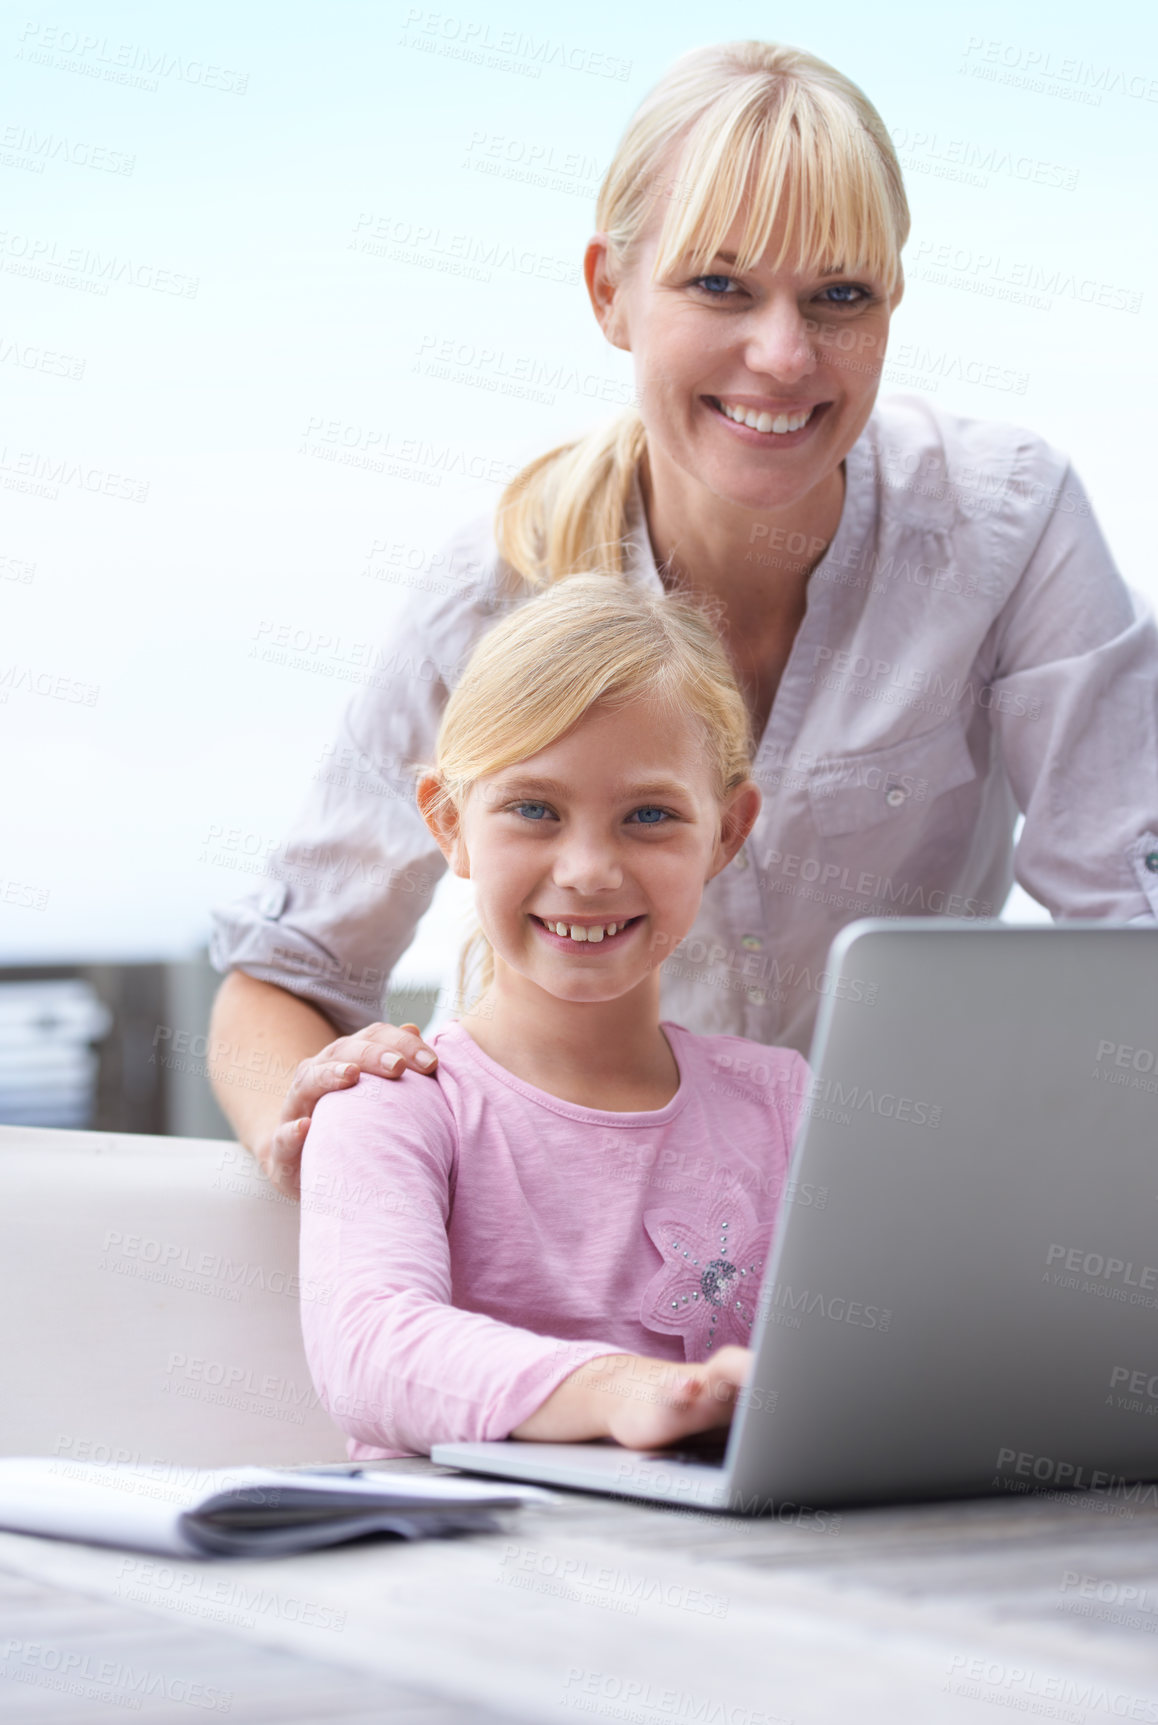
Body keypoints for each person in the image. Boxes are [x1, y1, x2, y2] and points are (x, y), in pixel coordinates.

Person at [209, 40, 1158, 1196]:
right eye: (720, 286)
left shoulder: (1010, 527)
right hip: (561, 1221)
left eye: (839, 296)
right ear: (611, 291)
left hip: (892, 1216)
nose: (784, 355)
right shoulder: (492, 592)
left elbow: (1131, 946)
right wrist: (341, 1170)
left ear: (892, 306)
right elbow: (286, 980)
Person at [299, 577, 808, 1456]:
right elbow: (368, 1349)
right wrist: (619, 1388)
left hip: (734, 1576)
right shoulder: (392, 1104)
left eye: (648, 815)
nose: (587, 869)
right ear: (449, 822)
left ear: (726, 833)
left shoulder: (785, 1101)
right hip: (463, 1573)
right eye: (534, 809)